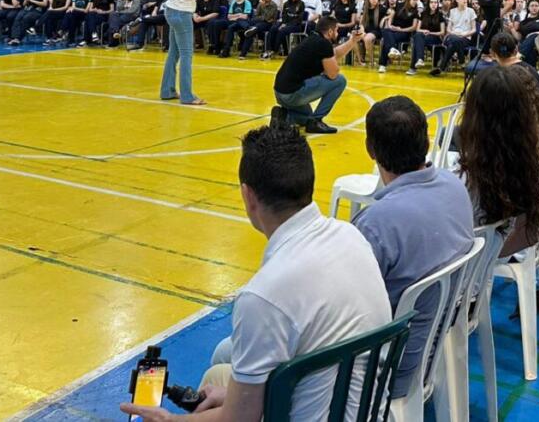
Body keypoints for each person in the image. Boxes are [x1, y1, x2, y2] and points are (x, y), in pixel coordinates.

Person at [122, 126, 391, 422]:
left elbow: (239, 420)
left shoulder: (263, 297)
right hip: (368, 411)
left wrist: (170, 420)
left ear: (248, 196)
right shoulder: (352, 237)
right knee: (219, 377)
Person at [351, 95, 474, 393]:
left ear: (370, 149)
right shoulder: (455, 186)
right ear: (426, 141)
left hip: (386, 371)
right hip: (436, 343)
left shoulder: (375, 225)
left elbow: (345, 310)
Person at [458, 64, 539, 256]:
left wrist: (490, 255)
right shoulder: (531, 157)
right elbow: (531, 233)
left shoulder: (465, 178)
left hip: (477, 260)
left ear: (473, 115)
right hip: (512, 249)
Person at [161, 0, 233, 105]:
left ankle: (167, 90)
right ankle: (187, 96)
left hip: (175, 12)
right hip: (180, 14)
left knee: (174, 53)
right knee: (186, 54)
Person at [271, 16, 362, 134]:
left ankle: (283, 117)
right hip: (292, 94)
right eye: (336, 30)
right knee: (340, 81)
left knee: (307, 117)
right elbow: (333, 74)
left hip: (280, 92)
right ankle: (316, 121)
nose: (338, 33)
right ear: (330, 32)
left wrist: (353, 41)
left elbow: (333, 54)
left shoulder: (313, 39)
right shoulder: (323, 44)